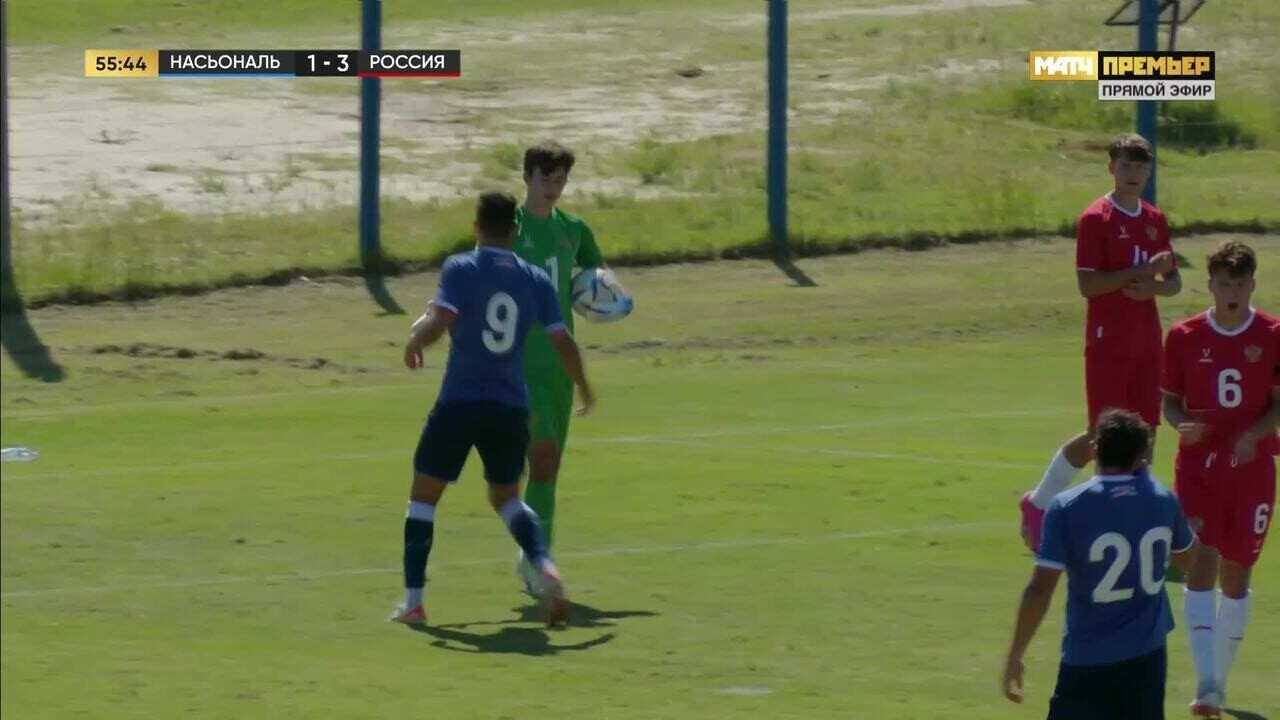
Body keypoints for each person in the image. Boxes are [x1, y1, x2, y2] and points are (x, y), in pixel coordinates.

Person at [388, 190, 596, 628]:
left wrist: (413, 341)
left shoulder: (462, 267)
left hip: (460, 400)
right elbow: (563, 342)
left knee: (423, 498)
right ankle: (543, 563)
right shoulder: (535, 279)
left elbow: (439, 322)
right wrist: (583, 386)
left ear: (476, 227)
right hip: (509, 405)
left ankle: (413, 602)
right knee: (506, 498)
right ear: (516, 232)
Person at [1020, 133, 1181, 553]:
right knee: (1102, 434)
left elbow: (1173, 282)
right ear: (1111, 168)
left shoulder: (1154, 218)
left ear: (1148, 171)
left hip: (1147, 338)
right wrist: (1138, 275)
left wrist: (1155, 289)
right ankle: (1039, 503)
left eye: (1139, 167)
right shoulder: (1096, 218)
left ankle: (1134, 519)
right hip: (1108, 339)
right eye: (1125, 166)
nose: (1132, 174)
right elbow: (1087, 284)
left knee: (1146, 430)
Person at [1002, 408, 1199, 719]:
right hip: (1147, 658)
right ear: (1142, 458)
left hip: (1086, 659)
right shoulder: (1163, 500)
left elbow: (1040, 590)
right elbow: (1188, 559)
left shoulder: (1067, 507)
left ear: (1094, 449)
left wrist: (1015, 654)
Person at [1159, 240, 1280, 717]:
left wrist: (1256, 433)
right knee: (1200, 565)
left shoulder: (1273, 333)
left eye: (1240, 284)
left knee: (1237, 573)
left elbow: (1278, 400)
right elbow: (1169, 401)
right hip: (1199, 468)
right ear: (1209, 284)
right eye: (1223, 283)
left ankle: (1218, 681)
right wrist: (1179, 425)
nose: (1232, 292)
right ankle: (1206, 685)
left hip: (1251, 469)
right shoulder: (1184, 336)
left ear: (1252, 284)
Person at [511, 141, 607, 592]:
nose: (553, 188)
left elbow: (596, 279)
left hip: (558, 364)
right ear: (526, 177)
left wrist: (602, 300)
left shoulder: (574, 230)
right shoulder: (509, 227)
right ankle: (537, 558)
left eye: (560, 180)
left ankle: (535, 559)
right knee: (538, 458)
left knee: (548, 467)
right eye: (545, 178)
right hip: (514, 363)